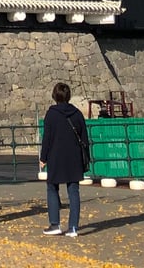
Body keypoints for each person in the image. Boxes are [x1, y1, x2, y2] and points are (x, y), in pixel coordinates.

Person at [39, 82, 91, 237]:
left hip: (56, 156)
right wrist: (86, 157)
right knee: (73, 191)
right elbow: (84, 138)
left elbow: (47, 138)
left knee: (52, 187)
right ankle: (73, 227)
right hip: (74, 157)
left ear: (54, 96)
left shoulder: (51, 114)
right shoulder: (77, 113)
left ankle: (55, 224)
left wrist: (43, 157)